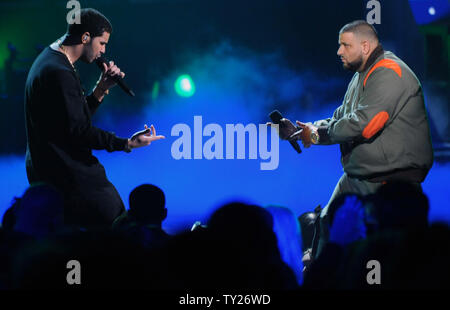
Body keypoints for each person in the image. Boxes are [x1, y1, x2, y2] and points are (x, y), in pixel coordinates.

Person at [295, 20, 434, 257]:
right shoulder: (363, 74)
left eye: (345, 45)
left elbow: (365, 124)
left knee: (382, 250)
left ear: (366, 46)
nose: (339, 51)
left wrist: (316, 134)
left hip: (388, 183)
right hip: (359, 177)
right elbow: (341, 118)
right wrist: (307, 130)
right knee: (327, 226)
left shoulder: (389, 72)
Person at [24, 8, 164, 229]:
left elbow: (70, 120)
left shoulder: (51, 60)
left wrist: (101, 88)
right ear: (85, 37)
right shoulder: (59, 72)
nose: (103, 51)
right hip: (68, 172)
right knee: (117, 221)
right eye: (102, 43)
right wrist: (126, 143)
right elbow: (79, 131)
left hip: (50, 166)